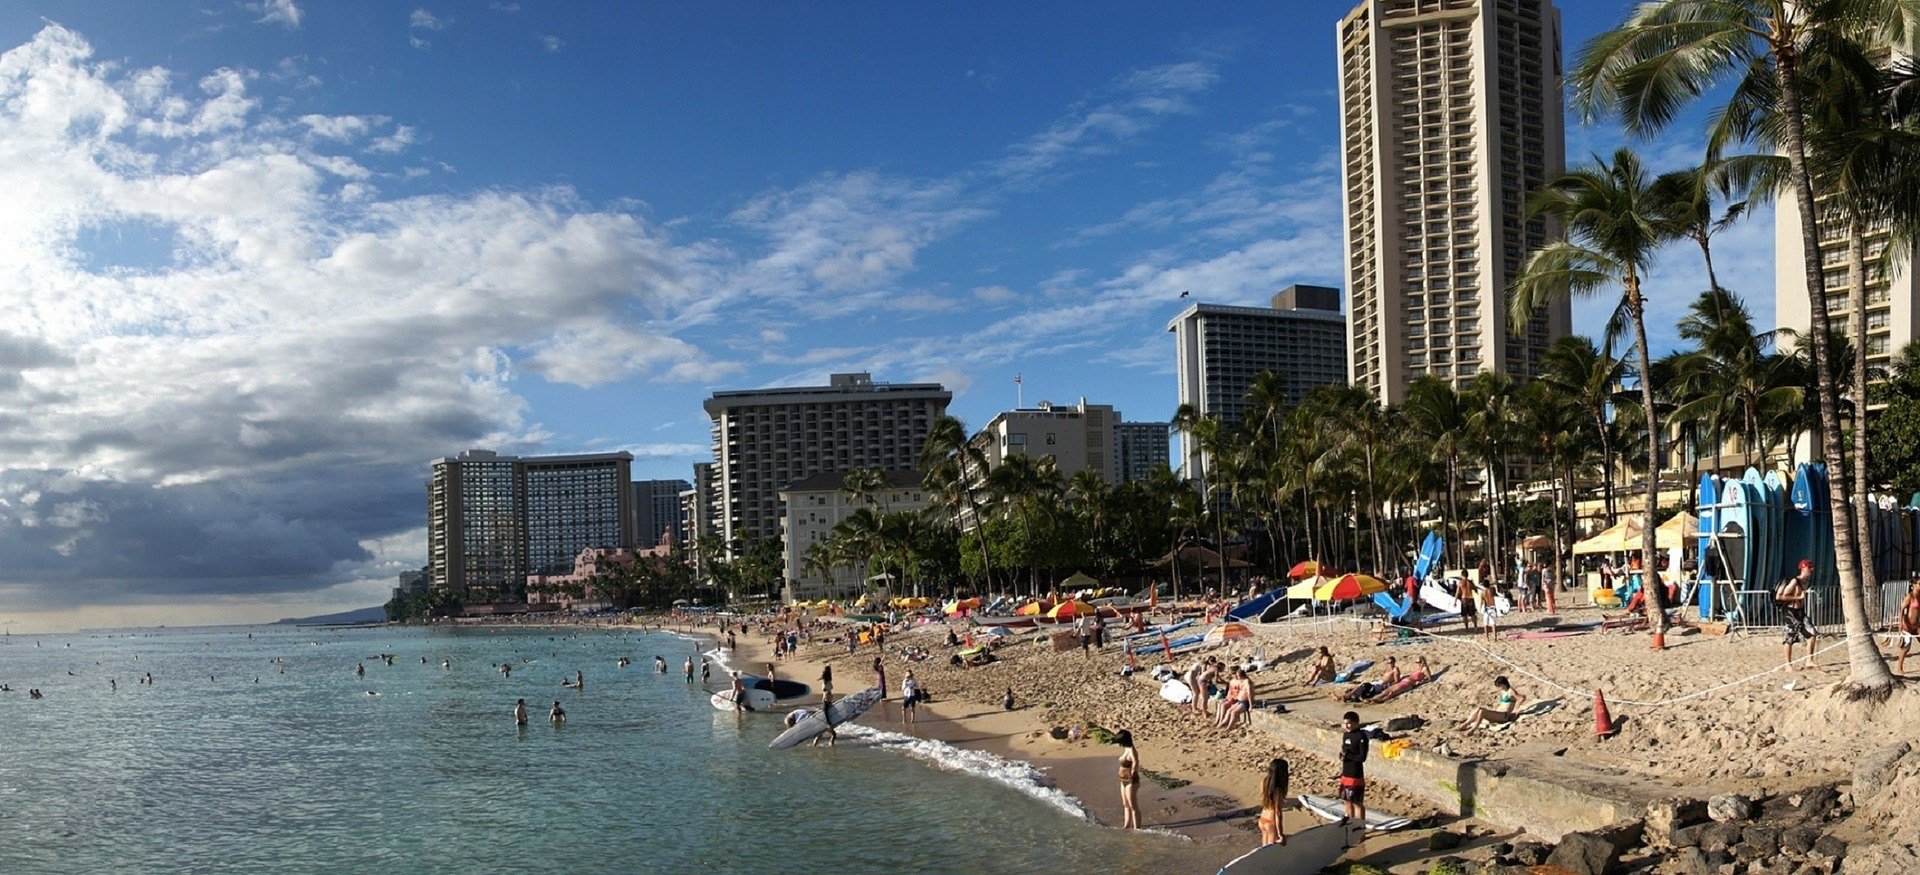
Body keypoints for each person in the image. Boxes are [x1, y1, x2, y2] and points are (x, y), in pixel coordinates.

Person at [1776, 559, 1819, 669]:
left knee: (1812, 634)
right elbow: (1781, 596)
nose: (1811, 570)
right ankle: (1788, 665)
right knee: (1789, 639)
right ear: (1804, 569)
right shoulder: (1795, 581)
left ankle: (1809, 660)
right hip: (1791, 613)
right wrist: (1798, 597)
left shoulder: (1806, 582)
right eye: (1810, 568)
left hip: (1801, 612)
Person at [1452, 675, 1523, 735]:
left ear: (1504, 684)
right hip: (1499, 713)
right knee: (1479, 709)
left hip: (1505, 716)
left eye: (1499, 686)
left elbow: (1521, 698)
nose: (1498, 688)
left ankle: (1473, 730)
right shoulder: (1504, 691)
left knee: (1482, 711)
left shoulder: (1511, 691)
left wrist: (1516, 712)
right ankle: (1465, 724)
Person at [1338, 711, 1368, 828]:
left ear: (1356, 723)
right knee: (1347, 800)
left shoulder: (1361, 736)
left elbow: (1362, 757)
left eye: (1350, 723)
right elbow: (1344, 751)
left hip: (1356, 774)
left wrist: (1348, 756)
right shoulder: (1346, 735)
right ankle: (1350, 823)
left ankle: (1361, 828)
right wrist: (1341, 756)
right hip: (1346, 773)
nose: (1347, 726)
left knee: (1357, 803)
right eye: (1345, 724)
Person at [1366, 657, 1432, 704]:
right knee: (1387, 690)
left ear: (1422, 662)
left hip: (1408, 684)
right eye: (1416, 662)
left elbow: (1429, 679)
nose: (1417, 663)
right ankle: (1373, 699)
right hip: (1404, 681)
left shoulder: (1424, 669)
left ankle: (1381, 700)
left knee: (1392, 692)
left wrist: (1420, 682)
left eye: (1418, 662)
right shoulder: (1418, 668)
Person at [1113, 729, 1142, 830]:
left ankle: (1136, 827)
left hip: (1131, 780)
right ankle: (1126, 825)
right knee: (1125, 804)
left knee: (1132, 804)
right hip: (1123, 779)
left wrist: (1133, 771)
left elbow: (1135, 761)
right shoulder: (1126, 748)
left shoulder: (1132, 750)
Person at [1258, 758, 1289, 847]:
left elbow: (1264, 799)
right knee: (1271, 851)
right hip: (1271, 822)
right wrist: (1281, 834)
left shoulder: (1264, 782)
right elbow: (1278, 813)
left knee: (1264, 849)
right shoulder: (1278, 790)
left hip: (1262, 819)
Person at [1897, 578, 1920, 675]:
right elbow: (1901, 610)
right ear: (1913, 585)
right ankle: (1899, 668)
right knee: (1906, 648)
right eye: (1919, 583)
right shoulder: (1910, 597)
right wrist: (1900, 626)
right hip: (1907, 626)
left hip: (1917, 626)